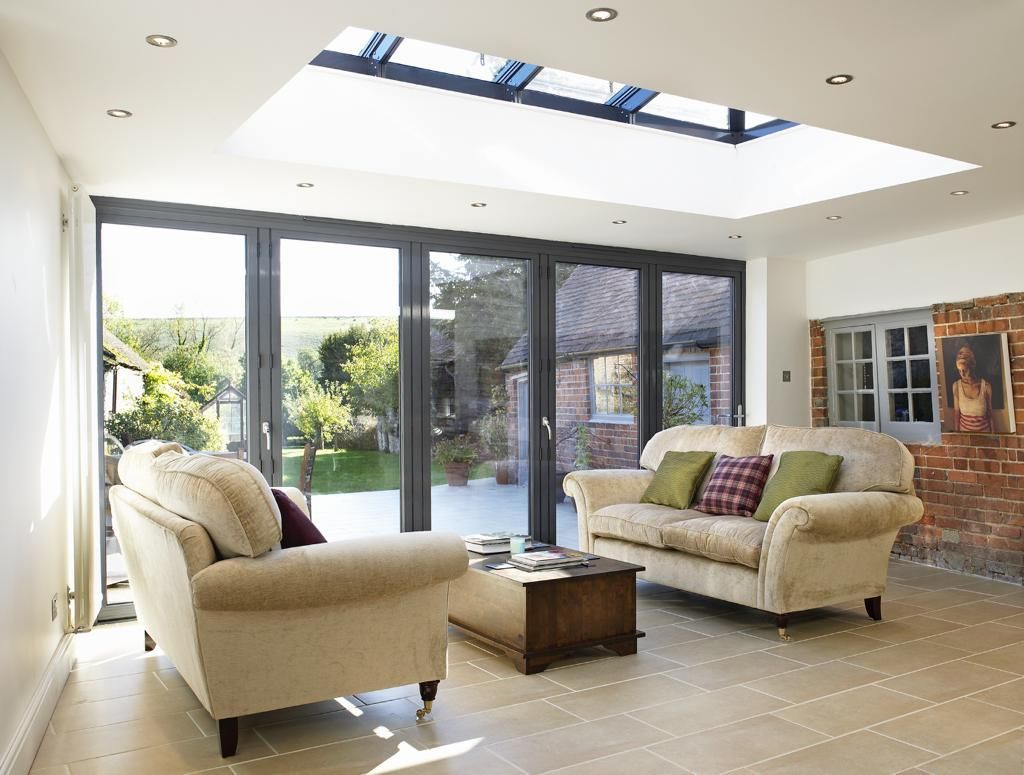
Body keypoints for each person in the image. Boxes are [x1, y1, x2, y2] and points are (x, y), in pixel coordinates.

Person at [951, 343, 993, 432]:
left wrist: (995, 436)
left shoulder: (986, 386)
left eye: (964, 370)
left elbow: (990, 415)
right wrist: (957, 436)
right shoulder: (956, 386)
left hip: (985, 436)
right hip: (965, 437)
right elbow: (956, 415)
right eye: (959, 371)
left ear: (972, 366)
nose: (962, 374)